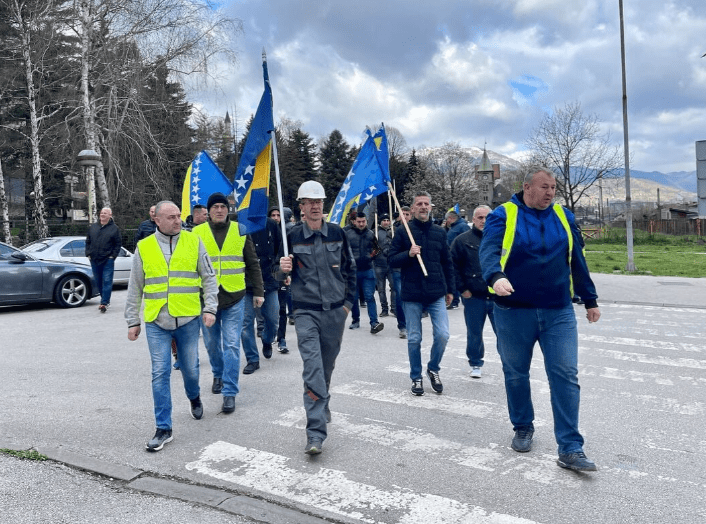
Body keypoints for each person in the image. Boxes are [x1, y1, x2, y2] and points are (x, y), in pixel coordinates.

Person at [479, 166, 601, 472]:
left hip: (557, 310)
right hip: (513, 310)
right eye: (544, 187)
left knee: (565, 375)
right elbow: (489, 251)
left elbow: (576, 259)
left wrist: (589, 299)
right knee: (516, 373)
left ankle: (571, 448)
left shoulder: (563, 216)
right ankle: (523, 426)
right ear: (527, 187)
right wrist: (495, 276)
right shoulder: (503, 215)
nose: (550, 193)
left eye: (553, 188)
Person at [125, 200, 218, 452]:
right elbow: (135, 286)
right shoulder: (143, 247)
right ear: (156, 219)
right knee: (160, 372)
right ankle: (163, 428)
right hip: (157, 320)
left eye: (179, 216)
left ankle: (194, 396)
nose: (178, 221)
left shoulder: (193, 241)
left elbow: (209, 277)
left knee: (190, 369)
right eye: (171, 217)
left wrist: (210, 308)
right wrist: (132, 320)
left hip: (188, 319)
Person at [275, 180, 355, 455]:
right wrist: (281, 269)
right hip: (306, 311)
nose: (315, 206)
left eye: (319, 201)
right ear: (301, 206)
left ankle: (323, 400)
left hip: (335, 312)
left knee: (326, 367)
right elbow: (279, 277)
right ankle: (315, 433)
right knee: (313, 368)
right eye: (310, 202)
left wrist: (348, 305)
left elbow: (350, 269)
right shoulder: (292, 236)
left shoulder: (337, 233)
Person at [192, 193, 264, 413]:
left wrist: (258, 291)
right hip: (207, 299)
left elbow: (252, 263)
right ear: (209, 211)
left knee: (232, 344)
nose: (220, 210)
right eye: (215, 207)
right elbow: (189, 265)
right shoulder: (196, 233)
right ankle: (218, 374)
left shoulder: (240, 230)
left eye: (223, 206)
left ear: (228, 210)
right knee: (212, 344)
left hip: (235, 296)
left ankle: (230, 392)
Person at [389, 192, 455, 396]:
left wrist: (451, 290)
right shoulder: (402, 232)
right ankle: (416, 376)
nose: (424, 207)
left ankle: (433, 368)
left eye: (427, 203)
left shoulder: (439, 232)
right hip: (412, 293)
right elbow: (391, 259)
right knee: (414, 338)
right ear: (413, 208)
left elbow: (447, 262)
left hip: (436, 290)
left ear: (431, 207)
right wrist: (408, 254)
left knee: (443, 334)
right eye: (420, 204)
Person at [450, 205, 495, 379]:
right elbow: (453, 266)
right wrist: (463, 289)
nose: (484, 221)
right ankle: (475, 363)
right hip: (473, 296)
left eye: (487, 217)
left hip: (498, 297)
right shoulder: (462, 240)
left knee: (505, 333)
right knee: (474, 333)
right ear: (473, 219)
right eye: (480, 217)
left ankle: (510, 364)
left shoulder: (501, 238)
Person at [240, 213, 282, 373]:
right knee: (246, 323)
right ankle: (252, 358)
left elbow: (280, 250)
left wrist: (282, 272)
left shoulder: (271, 224)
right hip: (246, 282)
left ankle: (267, 340)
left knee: (273, 318)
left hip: (268, 279)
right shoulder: (240, 225)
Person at [346, 212, 384, 334]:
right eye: (359, 221)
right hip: (353, 271)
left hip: (368, 270)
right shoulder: (348, 234)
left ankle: (374, 323)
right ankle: (355, 320)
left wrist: (370, 256)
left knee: (369, 296)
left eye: (363, 221)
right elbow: (343, 251)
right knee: (354, 297)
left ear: (366, 221)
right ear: (354, 222)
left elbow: (377, 249)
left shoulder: (371, 234)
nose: (361, 224)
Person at [85, 207, 122, 313]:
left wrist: (113, 256)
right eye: (101, 213)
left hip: (107, 260)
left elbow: (118, 244)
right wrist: (88, 254)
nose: (102, 214)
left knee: (107, 281)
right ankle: (104, 299)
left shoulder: (114, 229)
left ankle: (104, 302)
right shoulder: (93, 227)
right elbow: (88, 241)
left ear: (110, 215)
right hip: (94, 259)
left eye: (105, 213)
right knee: (98, 281)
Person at [391, 207, 410, 338]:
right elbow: (388, 249)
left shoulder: (414, 230)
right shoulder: (393, 229)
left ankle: (413, 322)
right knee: (400, 296)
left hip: (411, 268)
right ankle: (402, 325)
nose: (404, 216)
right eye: (402, 214)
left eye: (407, 214)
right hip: (398, 269)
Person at [445, 210, 469, 310]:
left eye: (447, 219)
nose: (446, 221)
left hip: (458, 257)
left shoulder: (462, 226)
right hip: (451, 256)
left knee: (455, 278)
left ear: (451, 218)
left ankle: (455, 301)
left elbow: (467, 241)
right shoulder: (453, 227)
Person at [374, 213, 394, 317]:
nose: (386, 222)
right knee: (381, 289)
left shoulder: (393, 231)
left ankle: (393, 308)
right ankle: (384, 309)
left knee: (394, 287)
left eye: (387, 220)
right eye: (384, 220)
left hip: (391, 264)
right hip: (379, 264)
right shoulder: (375, 232)